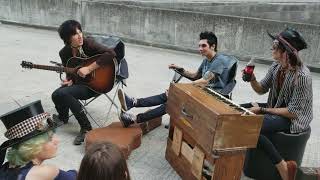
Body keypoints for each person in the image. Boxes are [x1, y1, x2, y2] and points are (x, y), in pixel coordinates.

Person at [118, 31, 238, 128]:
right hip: (204, 91)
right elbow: (196, 75)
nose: (200, 48)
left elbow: (204, 80)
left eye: (203, 46)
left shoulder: (219, 61)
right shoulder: (207, 59)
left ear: (213, 46)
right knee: (167, 95)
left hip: (212, 97)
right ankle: (133, 102)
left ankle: (134, 119)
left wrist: (178, 90)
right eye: (199, 45)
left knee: (171, 102)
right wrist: (180, 69)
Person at [241, 28, 312, 180]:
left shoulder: (302, 76)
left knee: (251, 126)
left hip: (293, 119)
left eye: (274, 46)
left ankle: (284, 168)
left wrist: (262, 110)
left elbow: (293, 112)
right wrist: (252, 78)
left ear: (285, 51)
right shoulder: (276, 66)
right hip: (275, 109)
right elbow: (261, 89)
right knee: (237, 110)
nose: (271, 49)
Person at [51, 19, 116, 145]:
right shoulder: (64, 53)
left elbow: (111, 53)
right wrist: (69, 80)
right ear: (67, 38)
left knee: (65, 94)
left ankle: (86, 127)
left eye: (80, 31)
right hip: (80, 83)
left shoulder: (88, 43)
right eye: (75, 34)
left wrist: (89, 68)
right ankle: (63, 117)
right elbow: (70, 72)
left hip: (96, 84)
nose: (80, 35)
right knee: (56, 94)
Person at [0, 100, 77, 180]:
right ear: (32, 147)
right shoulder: (44, 172)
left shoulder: (7, 167)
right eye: (50, 139)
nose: (57, 140)